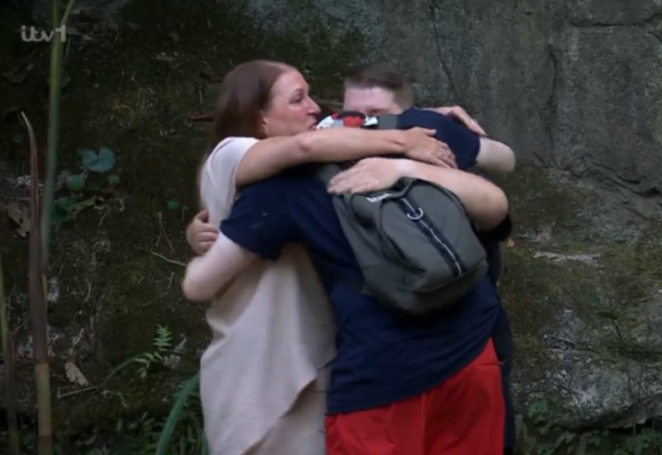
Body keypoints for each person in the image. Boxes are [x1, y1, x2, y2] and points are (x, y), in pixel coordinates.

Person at [182, 59, 510, 455]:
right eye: (298, 99)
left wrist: (411, 140)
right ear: (261, 121)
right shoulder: (244, 157)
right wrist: (409, 137)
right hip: (469, 348)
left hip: (373, 373)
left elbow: (197, 284)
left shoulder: (281, 190)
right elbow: (500, 184)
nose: (317, 109)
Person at [342, 62, 519, 455]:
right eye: (353, 115)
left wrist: (452, 138)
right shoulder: (333, 137)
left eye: (380, 117)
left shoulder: (426, 130)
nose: (365, 126)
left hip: (469, 306)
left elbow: (504, 158)